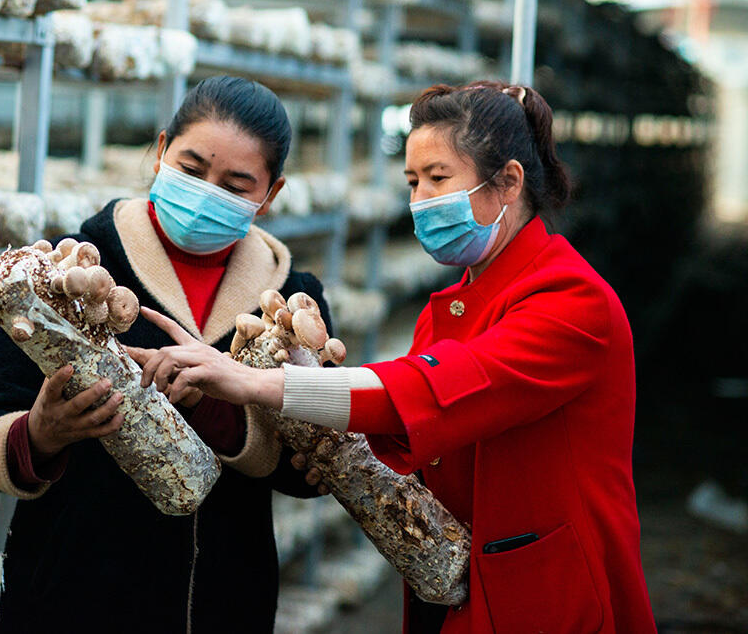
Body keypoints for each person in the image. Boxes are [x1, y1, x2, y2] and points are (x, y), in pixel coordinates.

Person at [132, 81, 658, 633]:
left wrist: (256, 383)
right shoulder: (449, 308)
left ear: (507, 182)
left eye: (438, 178)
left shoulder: (574, 302)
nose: (419, 201)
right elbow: (419, 436)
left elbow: (444, 389)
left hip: (549, 595)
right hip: (460, 587)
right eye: (412, 182)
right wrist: (338, 452)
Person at [0, 76, 332, 633]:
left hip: (225, 599)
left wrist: (217, 411)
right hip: (77, 594)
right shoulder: (70, 272)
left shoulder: (290, 303)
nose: (207, 191)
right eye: (191, 168)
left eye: (235, 183)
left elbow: (314, 470)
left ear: (270, 195)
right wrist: (42, 433)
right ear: (160, 151)